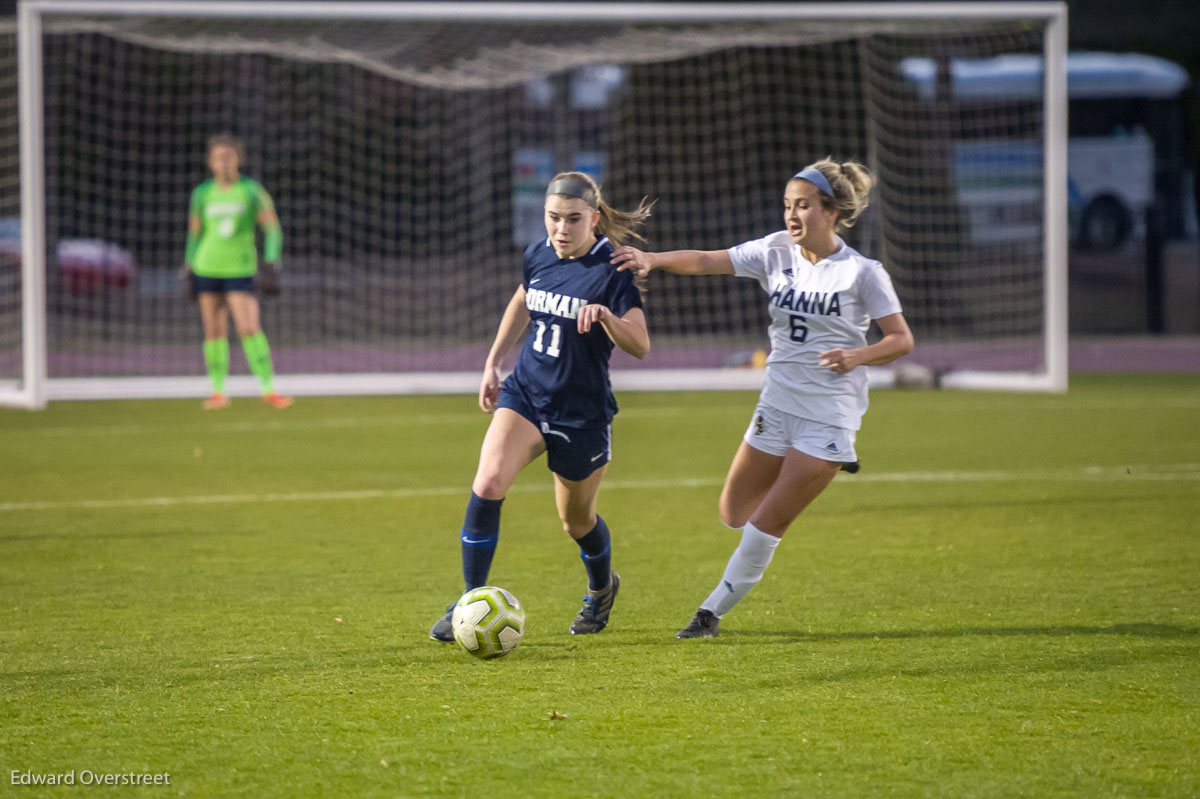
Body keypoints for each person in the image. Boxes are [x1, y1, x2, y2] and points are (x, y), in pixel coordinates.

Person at [611, 158, 914, 638]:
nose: (792, 216)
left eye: (804, 206)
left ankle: (708, 615)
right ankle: (796, 499)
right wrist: (654, 260)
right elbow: (710, 259)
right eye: (787, 206)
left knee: (767, 522)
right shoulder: (776, 250)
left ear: (831, 211)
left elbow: (900, 339)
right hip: (776, 405)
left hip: (828, 415)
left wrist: (858, 356)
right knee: (734, 512)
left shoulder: (863, 273)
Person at [429, 172, 653, 642]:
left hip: (581, 411)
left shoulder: (612, 270)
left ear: (594, 218)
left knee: (576, 521)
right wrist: (494, 362)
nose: (561, 229)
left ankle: (600, 587)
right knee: (488, 482)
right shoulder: (537, 255)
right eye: (553, 218)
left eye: (573, 219)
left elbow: (641, 345)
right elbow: (524, 299)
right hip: (526, 392)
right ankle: (470, 601)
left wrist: (610, 319)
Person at [183, 134, 291, 410]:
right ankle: (218, 391)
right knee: (213, 332)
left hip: (240, 269)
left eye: (229, 157)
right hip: (207, 267)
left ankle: (268, 388)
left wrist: (271, 263)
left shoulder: (252, 191)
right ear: (211, 162)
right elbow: (195, 234)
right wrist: (189, 265)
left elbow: (273, 229)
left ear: (238, 160)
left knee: (249, 327)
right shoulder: (202, 194)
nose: (224, 163)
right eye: (219, 158)